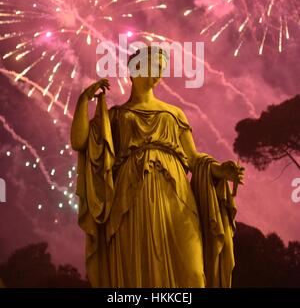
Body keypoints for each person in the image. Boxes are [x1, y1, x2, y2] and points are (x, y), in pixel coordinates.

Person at [71, 46, 244, 288]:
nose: (158, 75)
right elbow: (79, 142)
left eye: (161, 69)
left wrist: (219, 170)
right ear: (135, 69)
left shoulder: (174, 114)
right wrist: (83, 101)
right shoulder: (116, 116)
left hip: (176, 196)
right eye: (154, 67)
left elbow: (193, 159)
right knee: (136, 276)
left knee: (193, 273)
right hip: (130, 200)